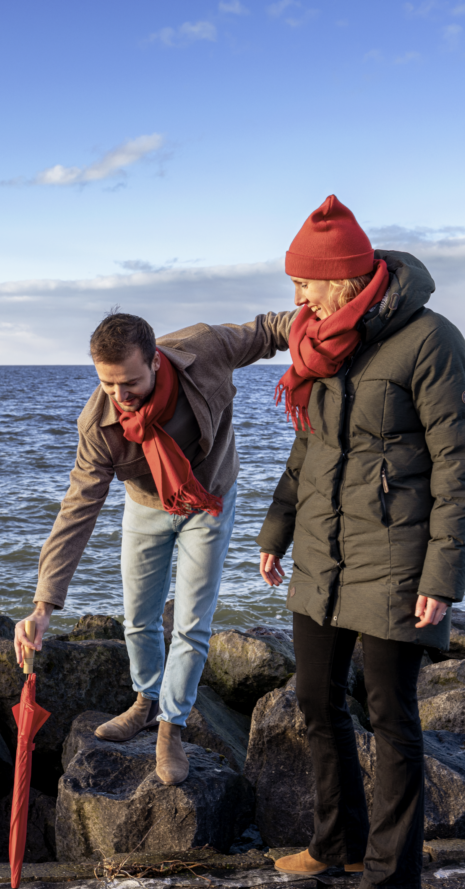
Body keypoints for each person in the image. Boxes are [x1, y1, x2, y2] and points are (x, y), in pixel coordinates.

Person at [257, 195, 465, 889]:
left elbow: (458, 466)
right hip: (323, 552)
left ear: (348, 280)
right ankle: (338, 845)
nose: (297, 297)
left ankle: (390, 879)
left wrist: (441, 578)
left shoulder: (430, 340)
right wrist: (276, 532)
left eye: (308, 283)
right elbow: (308, 449)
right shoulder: (321, 344)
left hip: (397, 556)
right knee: (316, 701)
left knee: (391, 715)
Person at [15, 310, 294, 786]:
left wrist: (326, 329)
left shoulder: (206, 349)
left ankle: (171, 726)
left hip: (209, 501)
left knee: (191, 623)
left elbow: (271, 330)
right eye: (107, 385)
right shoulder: (99, 427)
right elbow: (76, 512)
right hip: (146, 506)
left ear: (157, 363)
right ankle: (145, 701)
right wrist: (43, 605)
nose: (119, 397)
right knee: (138, 616)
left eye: (129, 383)